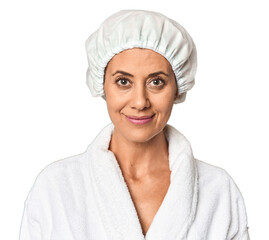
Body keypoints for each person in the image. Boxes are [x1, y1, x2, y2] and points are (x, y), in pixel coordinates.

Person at [19, 9, 250, 240]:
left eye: (156, 82)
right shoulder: (55, 189)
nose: (140, 102)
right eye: (123, 81)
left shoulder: (218, 191)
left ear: (178, 87)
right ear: (102, 85)